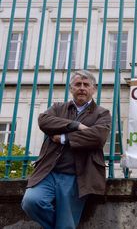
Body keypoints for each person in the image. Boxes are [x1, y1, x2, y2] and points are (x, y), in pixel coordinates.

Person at [21, 70, 111, 229]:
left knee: (67, 223)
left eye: (86, 85)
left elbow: (98, 137)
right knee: (31, 202)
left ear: (93, 89)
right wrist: (76, 126)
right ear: (71, 88)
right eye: (78, 84)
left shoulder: (102, 113)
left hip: (77, 176)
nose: (82, 88)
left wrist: (65, 138)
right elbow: (44, 121)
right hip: (49, 172)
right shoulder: (58, 107)